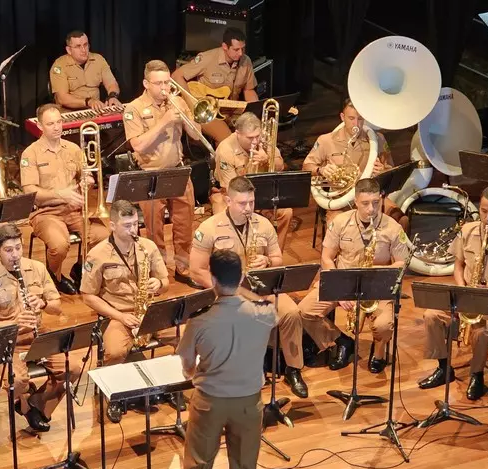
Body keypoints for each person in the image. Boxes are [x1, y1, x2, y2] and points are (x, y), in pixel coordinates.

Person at [176, 249, 275, 469]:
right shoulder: (264, 314)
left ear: (214, 280)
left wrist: (196, 370)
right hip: (248, 403)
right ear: (242, 277)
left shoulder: (200, 321)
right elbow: (274, 313)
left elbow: (187, 364)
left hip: (209, 403)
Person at [190, 176, 308, 398]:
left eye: (251, 202)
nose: (248, 208)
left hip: (261, 288)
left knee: (292, 313)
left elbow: (277, 258)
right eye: (242, 203)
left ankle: (293, 369)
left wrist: (268, 262)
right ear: (228, 201)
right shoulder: (209, 227)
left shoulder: (262, 224)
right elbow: (196, 270)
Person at [418, 185, 488, 400]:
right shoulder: (467, 231)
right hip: (465, 293)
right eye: (484, 211)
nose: (487, 217)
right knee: (431, 315)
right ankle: (443, 367)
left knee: (482, 330)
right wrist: (461, 286)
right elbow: (458, 265)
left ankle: (477, 376)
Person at [0, 224, 83, 432]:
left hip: (37, 337)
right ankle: (23, 403)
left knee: (73, 367)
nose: (15, 255)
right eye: (8, 250)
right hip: (7, 343)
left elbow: (57, 307)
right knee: (19, 381)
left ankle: (36, 404)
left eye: (18, 248)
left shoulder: (36, 268)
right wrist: (13, 323)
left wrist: (43, 304)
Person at [298, 179, 409, 375]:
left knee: (383, 325)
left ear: (381, 199)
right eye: (365, 203)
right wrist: (338, 290)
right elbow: (327, 257)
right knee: (304, 311)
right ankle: (341, 341)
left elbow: (401, 263)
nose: (371, 209)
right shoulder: (340, 222)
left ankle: (379, 352)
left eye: (376, 202)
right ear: (355, 201)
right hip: (343, 281)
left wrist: (378, 271)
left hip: (376, 286)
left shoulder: (393, 228)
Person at [80, 199, 170, 422]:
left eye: (135, 224)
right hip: (118, 313)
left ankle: (170, 387)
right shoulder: (97, 254)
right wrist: (119, 316)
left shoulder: (147, 246)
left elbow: (165, 279)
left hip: (148, 310)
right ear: (112, 226)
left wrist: (159, 285)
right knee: (114, 352)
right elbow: (87, 295)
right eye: (127, 225)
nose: (133, 230)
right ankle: (116, 396)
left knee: (186, 334)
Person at [123, 60, 201, 288]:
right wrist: (164, 122)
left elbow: (196, 136)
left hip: (178, 169)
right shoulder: (134, 109)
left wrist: (188, 116)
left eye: (167, 82)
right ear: (146, 83)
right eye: (158, 83)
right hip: (150, 174)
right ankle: (158, 272)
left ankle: (182, 267)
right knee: (154, 229)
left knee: (185, 225)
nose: (164, 88)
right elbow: (138, 145)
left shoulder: (176, 102)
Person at [20, 103, 110, 294]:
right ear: (40, 126)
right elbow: (30, 192)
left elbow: (86, 176)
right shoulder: (31, 153)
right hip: (46, 213)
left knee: (104, 235)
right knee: (60, 245)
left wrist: (88, 180)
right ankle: (54, 276)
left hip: (74, 209)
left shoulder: (73, 148)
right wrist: (60, 194)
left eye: (59, 122)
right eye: (51, 123)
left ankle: (80, 267)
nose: (57, 127)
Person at [303, 98, 407, 231]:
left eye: (360, 119)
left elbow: (391, 169)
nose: (356, 124)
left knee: (401, 220)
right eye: (351, 118)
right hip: (341, 202)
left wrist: (383, 171)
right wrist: (321, 170)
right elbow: (306, 165)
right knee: (337, 229)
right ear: (342, 117)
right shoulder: (325, 140)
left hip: (372, 199)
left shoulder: (378, 139)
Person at [213, 112, 293, 248]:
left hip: (263, 193)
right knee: (223, 217)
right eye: (250, 138)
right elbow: (231, 188)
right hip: (235, 195)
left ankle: (274, 256)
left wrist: (268, 159)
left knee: (286, 212)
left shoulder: (264, 140)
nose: (255, 141)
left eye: (257, 136)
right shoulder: (225, 149)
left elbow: (281, 166)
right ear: (238, 133)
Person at [172, 27, 259, 143]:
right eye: (236, 49)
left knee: (256, 133)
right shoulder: (207, 58)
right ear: (224, 47)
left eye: (243, 49)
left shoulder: (246, 61)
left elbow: (249, 90)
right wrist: (193, 104)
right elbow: (176, 76)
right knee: (227, 140)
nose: (240, 53)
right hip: (209, 114)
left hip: (233, 112)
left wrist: (256, 111)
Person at [49, 30, 122, 110]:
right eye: (78, 46)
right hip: (69, 111)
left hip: (95, 109)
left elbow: (111, 84)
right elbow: (62, 98)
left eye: (85, 45)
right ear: (69, 50)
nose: (83, 50)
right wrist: (88, 102)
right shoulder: (59, 65)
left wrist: (112, 96)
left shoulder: (99, 59)